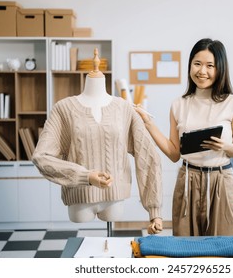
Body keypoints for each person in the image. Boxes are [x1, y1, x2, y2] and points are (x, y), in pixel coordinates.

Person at [32, 50, 163, 234]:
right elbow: (41, 157)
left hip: (114, 202)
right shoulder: (63, 109)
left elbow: (149, 157)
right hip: (79, 204)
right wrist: (85, 177)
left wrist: (154, 211)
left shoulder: (124, 108)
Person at [135, 38, 233, 236]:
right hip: (188, 180)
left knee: (227, 246)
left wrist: (224, 146)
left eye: (210, 65)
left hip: (221, 180)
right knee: (186, 247)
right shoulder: (179, 104)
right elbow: (174, 154)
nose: (202, 71)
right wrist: (148, 123)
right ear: (190, 66)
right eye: (197, 64)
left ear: (220, 68)